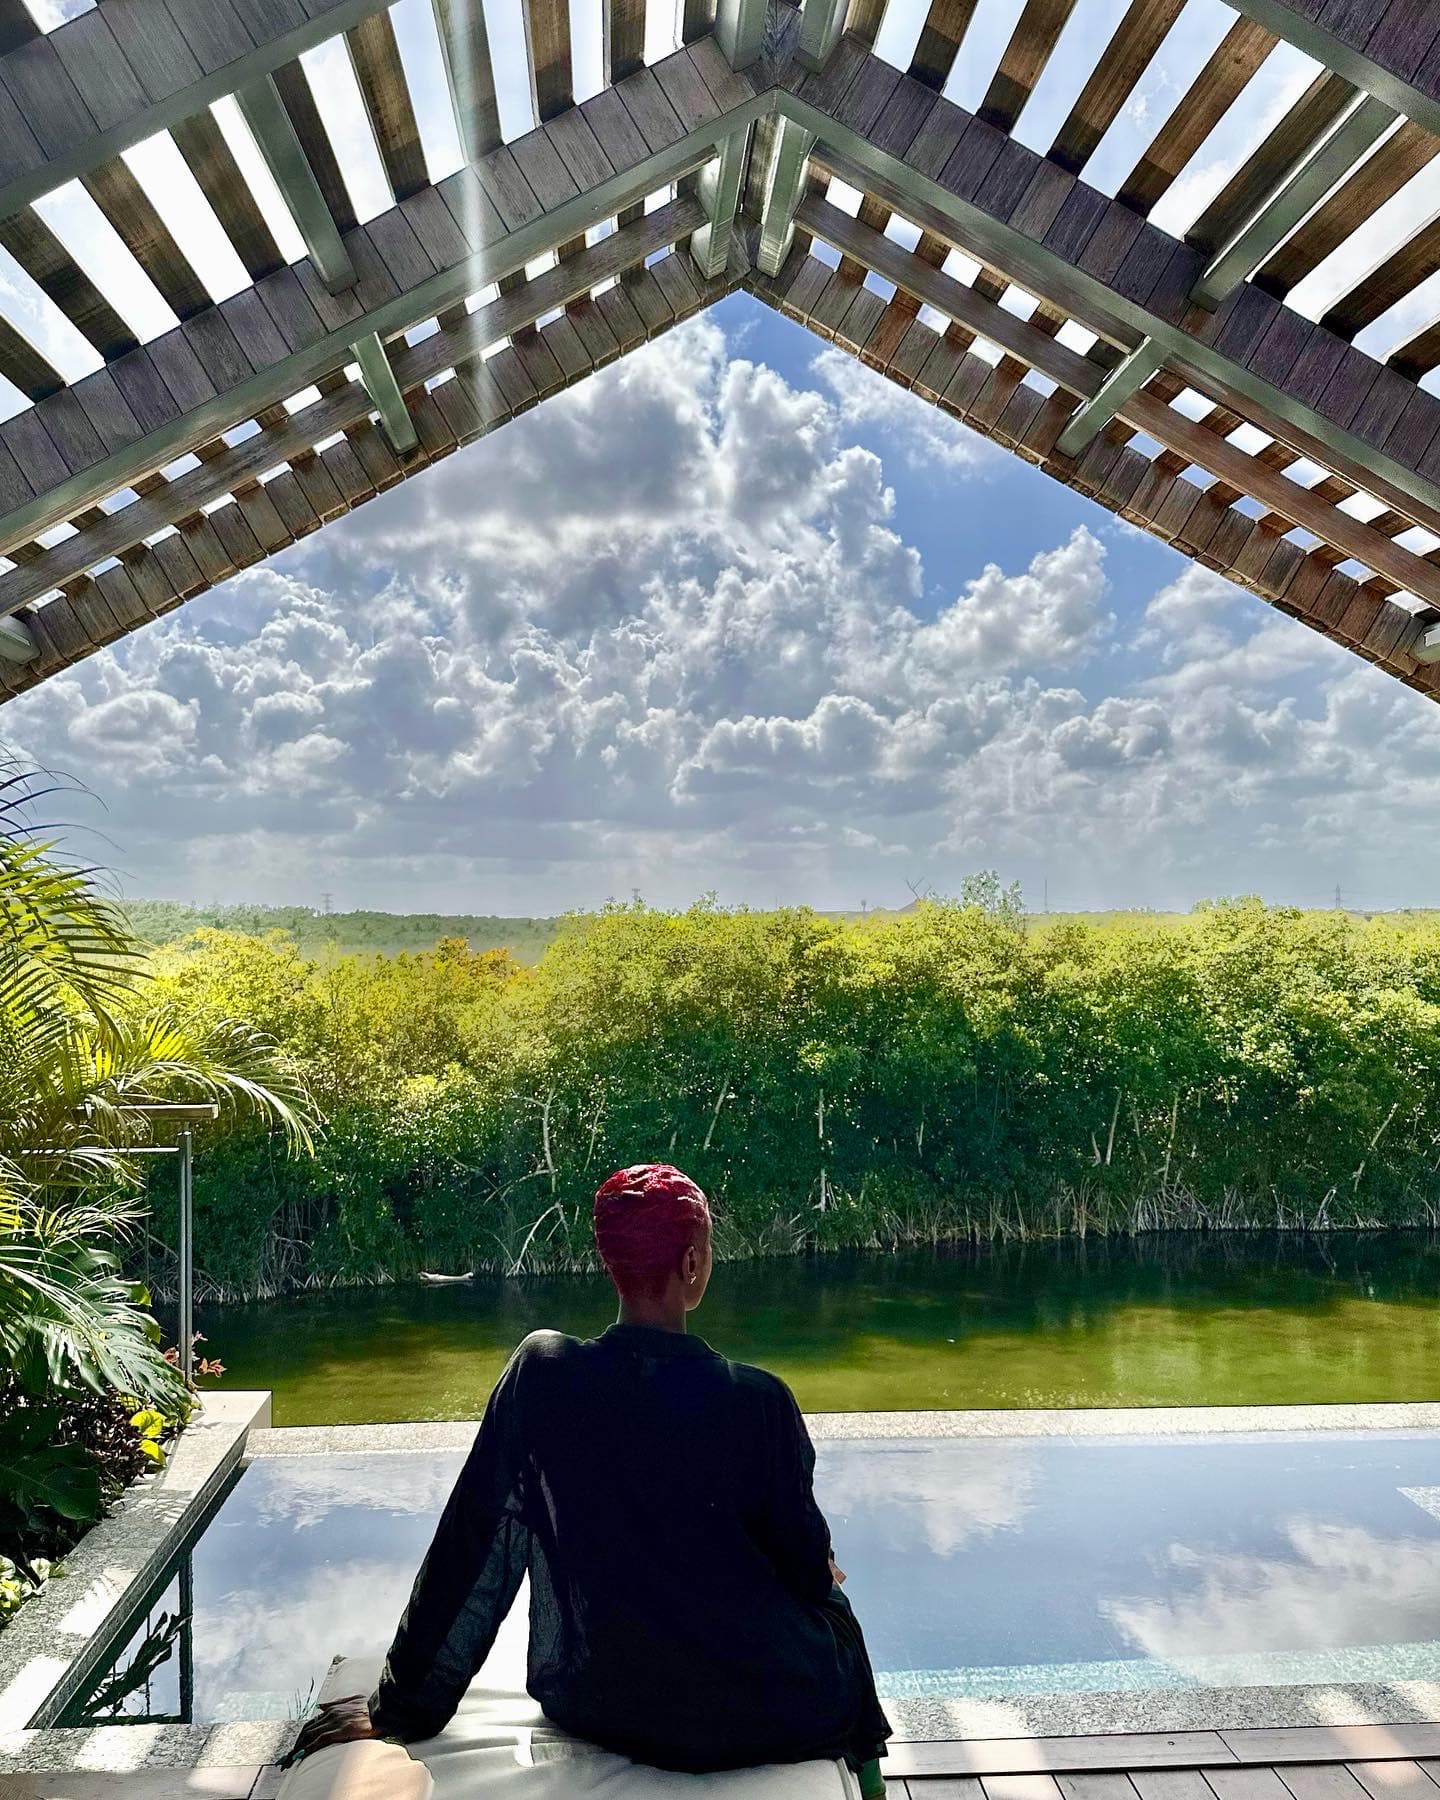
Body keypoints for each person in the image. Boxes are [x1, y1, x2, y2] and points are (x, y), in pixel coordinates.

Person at [293, 1163, 891, 1794]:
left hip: (596, 1694)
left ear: (610, 1265)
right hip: (754, 1710)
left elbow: (472, 1546)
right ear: (692, 1265)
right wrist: (818, 1567)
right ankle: (870, 1782)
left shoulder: (543, 1376)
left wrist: (400, 1707)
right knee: (834, 1605)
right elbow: (799, 1568)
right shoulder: (759, 1402)